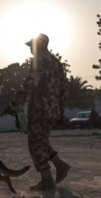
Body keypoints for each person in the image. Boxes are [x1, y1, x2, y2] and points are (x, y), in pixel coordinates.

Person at [15, 34, 71, 190]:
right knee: (42, 140)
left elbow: (32, 81)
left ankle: (46, 178)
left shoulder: (40, 59)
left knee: (34, 142)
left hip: (39, 109)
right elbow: (64, 88)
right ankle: (60, 165)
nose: (30, 50)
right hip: (52, 109)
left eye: (31, 46)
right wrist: (60, 110)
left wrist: (19, 98)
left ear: (39, 46)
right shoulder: (57, 62)